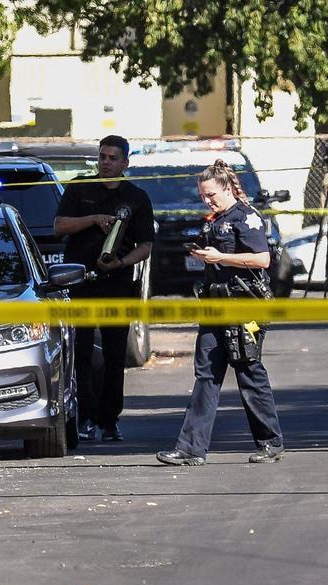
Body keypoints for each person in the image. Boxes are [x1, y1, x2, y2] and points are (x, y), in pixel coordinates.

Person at [156, 160, 284, 466]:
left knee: (248, 371)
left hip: (243, 307)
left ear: (226, 188)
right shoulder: (214, 220)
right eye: (203, 196)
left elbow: (262, 259)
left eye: (211, 194)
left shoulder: (247, 217)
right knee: (206, 376)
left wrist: (222, 256)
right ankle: (190, 449)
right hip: (214, 306)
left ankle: (270, 442)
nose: (207, 200)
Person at [53, 135, 155, 443]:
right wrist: (93, 219)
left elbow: (145, 246)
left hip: (118, 284)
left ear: (126, 162)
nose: (106, 162)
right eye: (102, 157)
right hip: (81, 282)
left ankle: (109, 420)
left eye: (112, 158)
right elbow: (59, 226)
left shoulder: (136, 197)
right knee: (80, 353)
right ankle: (84, 415)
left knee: (114, 355)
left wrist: (121, 262)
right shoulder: (80, 188)